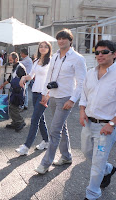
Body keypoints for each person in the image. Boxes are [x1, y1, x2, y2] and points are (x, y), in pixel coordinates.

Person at [79, 40, 116, 200]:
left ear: (114, 54)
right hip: (88, 123)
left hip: (106, 127)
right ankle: (108, 169)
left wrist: (112, 124)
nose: (99, 55)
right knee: (87, 153)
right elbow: (84, 95)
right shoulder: (90, 73)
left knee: (97, 162)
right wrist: (82, 111)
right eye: (97, 52)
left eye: (104, 52)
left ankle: (92, 194)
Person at [34, 28, 87, 174]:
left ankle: (45, 163)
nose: (61, 41)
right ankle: (66, 156)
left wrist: (73, 100)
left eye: (64, 38)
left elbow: (82, 82)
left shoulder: (77, 58)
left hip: (66, 98)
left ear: (70, 40)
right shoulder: (55, 56)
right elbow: (49, 76)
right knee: (61, 128)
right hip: (53, 97)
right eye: (59, 38)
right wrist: (45, 93)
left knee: (54, 130)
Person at [16, 41, 52, 155]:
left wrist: (47, 94)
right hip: (35, 92)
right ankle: (46, 141)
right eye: (41, 46)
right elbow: (31, 76)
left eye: (45, 46)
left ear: (49, 49)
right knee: (40, 119)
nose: (43, 48)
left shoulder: (51, 62)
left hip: (44, 94)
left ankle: (26, 147)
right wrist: (23, 77)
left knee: (34, 119)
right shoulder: (36, 61)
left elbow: (52, 79)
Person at [0, 52, 27, 132]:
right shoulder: (15, 67)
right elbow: (10, 78)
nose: (10, 62)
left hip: (19, 91)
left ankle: (20, 121)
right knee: (11, 106)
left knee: (14, 107)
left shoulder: (20, 67)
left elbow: (24, 78)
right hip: (14, 90)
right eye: (9, 60)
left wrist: (20, 86)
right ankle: (15, 122)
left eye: (11, 60)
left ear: (16, 59)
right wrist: (3, 84)